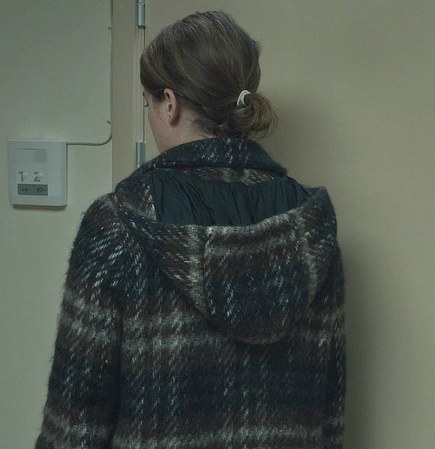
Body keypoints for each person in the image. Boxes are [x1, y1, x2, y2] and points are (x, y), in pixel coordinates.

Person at [36, 11, 345, 449]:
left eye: (148, 103)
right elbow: (329, 409)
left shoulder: (119, 224)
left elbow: (75, 423)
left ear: (169, 102)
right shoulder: (310, 227)